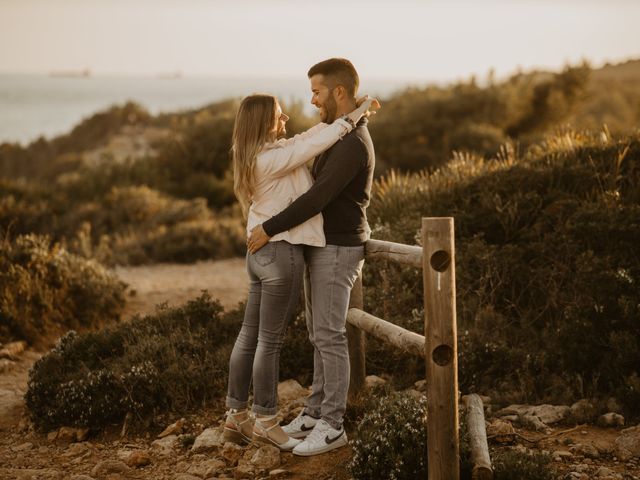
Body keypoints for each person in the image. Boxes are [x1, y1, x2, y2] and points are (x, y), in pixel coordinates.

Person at [224, 91, 378, 452]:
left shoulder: (259, 154)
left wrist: (356, 113)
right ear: (263, 121)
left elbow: (307, 138)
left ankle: (235, 415)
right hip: (279, 253)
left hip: (259, 254)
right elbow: (317, 142)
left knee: (249, 336)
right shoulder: (273, 158)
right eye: (278, 115)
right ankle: (265, 420)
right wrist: (355, 115)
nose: (285, 120)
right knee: (270, 341)